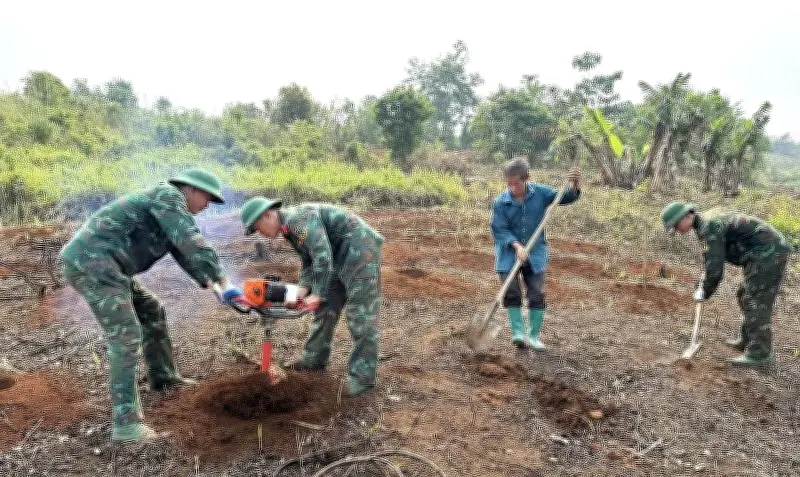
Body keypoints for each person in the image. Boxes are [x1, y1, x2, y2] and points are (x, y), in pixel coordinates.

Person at [59, 168, 254, 443]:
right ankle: (125, 426)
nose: (207, 206)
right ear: (191, 189)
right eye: (207, 199)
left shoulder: (169, 211)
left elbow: (184, 253)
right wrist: (225, 279)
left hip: (110, 266)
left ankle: (163, 377)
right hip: (93, 263)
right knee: (125, 335)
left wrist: (218, 289)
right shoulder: (169, 196)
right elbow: (190, 240)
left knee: (152, 309)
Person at [239, 197, 383, 396]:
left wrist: (317, 293)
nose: (260, 234)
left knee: (361, 314)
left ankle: (363, 378)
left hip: (358, 249)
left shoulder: (297, 220)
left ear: (267, 214)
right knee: (325, 307)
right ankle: (314, 359)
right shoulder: (289, 230)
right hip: (336, 255)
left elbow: (322, 256)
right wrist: (303, 290)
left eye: (257, 227)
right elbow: (309, 261)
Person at [660, 201, 792, 366]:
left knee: (755, 301)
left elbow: (715, 270)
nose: (677, 230)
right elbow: (713, 257)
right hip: (760, 254)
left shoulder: (709, 227)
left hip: (768, 254)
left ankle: (760, 354)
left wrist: (704, 291)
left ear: (687, 216)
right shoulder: (706, 221)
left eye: (676, 225)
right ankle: (747, 340)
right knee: (744, 294)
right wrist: (705, 279)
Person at [490, 157, 582, 350]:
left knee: (537, 293)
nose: (513, 188)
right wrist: (516, 246)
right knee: (512, 292)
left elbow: (564, 197)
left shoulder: (540, 193)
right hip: (508, 254)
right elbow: (499, 229)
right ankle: (518, 333)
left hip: (535, 253)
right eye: (509, 184)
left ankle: (533, 336)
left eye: (517, 183)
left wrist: (574, 185)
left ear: (527, 178)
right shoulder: (500, 203)